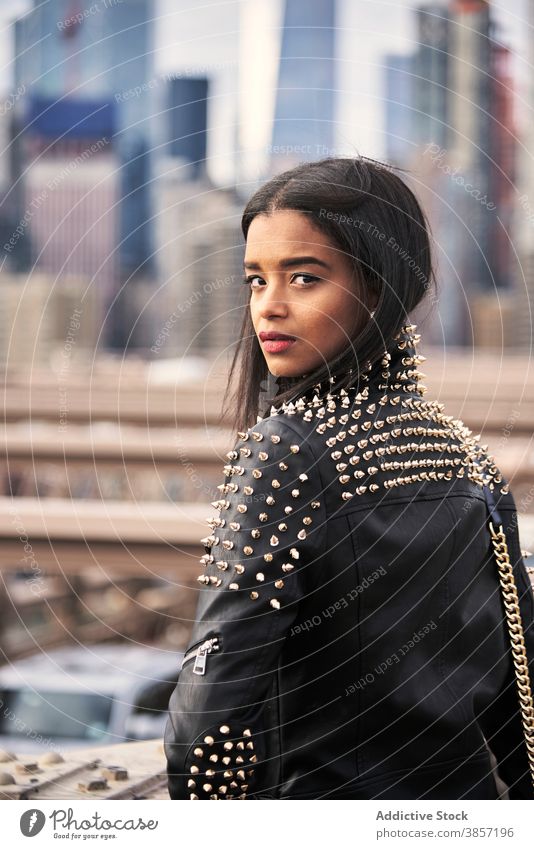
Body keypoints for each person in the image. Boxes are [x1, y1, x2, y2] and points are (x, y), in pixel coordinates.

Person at [164, 156, 534, 800]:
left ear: (376, 286)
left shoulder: (287, 452)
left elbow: (211, 715)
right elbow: (519, 699)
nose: (269, 307)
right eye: (255, 280)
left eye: (304, 278)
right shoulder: (466, 456)